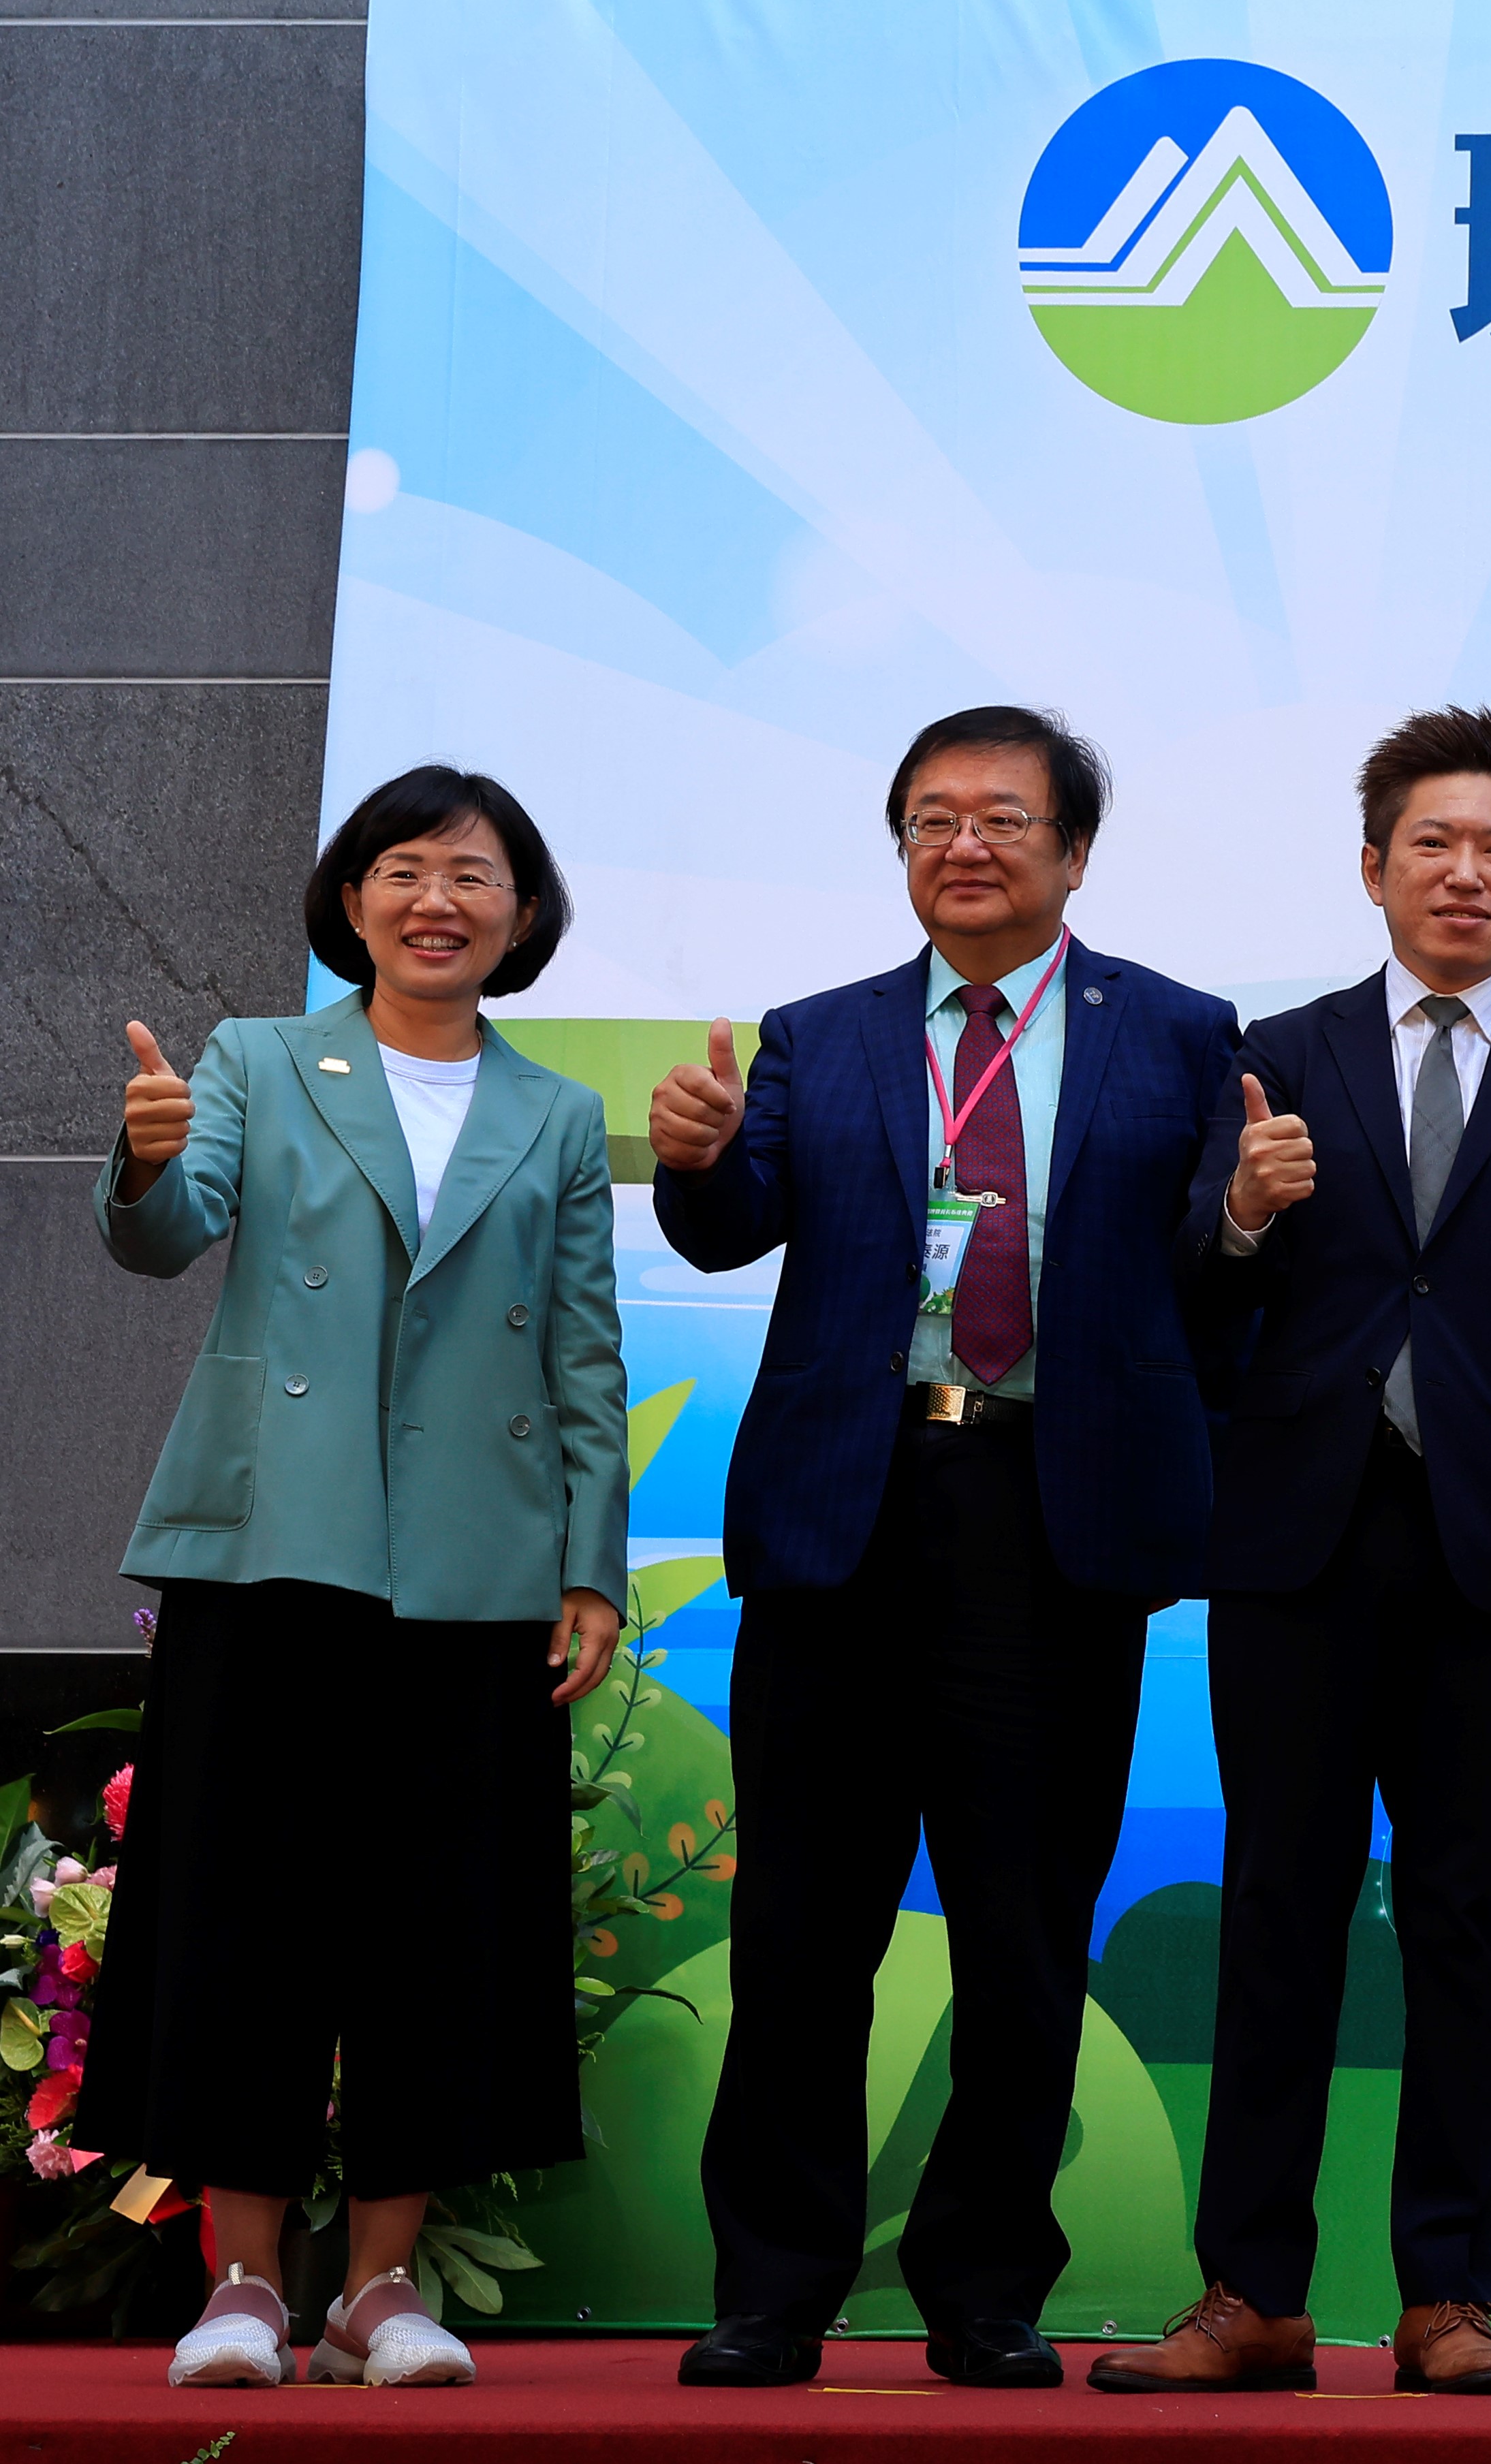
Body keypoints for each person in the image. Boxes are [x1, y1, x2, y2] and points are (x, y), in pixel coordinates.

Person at [644, 707, 1247, 2390]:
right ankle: (773, 2286)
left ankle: (986, 2285)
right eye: (929, 819)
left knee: (1024, 1922)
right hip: (848, 1509)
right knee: (803, 1934)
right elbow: (733, 1213)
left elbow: (1216, 1267)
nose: (962, 844)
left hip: (1055, 1520)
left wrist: (1258, 1212)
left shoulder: (1181, 1034)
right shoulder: (818, 1037)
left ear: (1071, 851)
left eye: (999, 816)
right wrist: (692, 1162)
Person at [1093, 709, 1491, 2396]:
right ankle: (1251, 2295)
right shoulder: (1278, 1051)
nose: (1464, 874)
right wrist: (1246, 1212)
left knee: (1466, 1923)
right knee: (1277, 1912)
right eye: (1433, 844)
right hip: (1297, 1547)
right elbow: (1190, 1286)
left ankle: (1446, 2298)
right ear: (1374, 868)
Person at [87, 766, 626, 2393]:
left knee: (443, 1932)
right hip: (276, 1547)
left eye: (473, 876)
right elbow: (169, 1236)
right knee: (244, 1913)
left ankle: (380, 2288)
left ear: (521, 916)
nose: (435, 902)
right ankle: (244, 2282)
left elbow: (587, 1352)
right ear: (349, 899)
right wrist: (144, 1158)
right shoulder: (257, 1059)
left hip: (478, 1568)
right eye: (403, 870)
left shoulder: (554, 1112)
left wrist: (589, 1566)